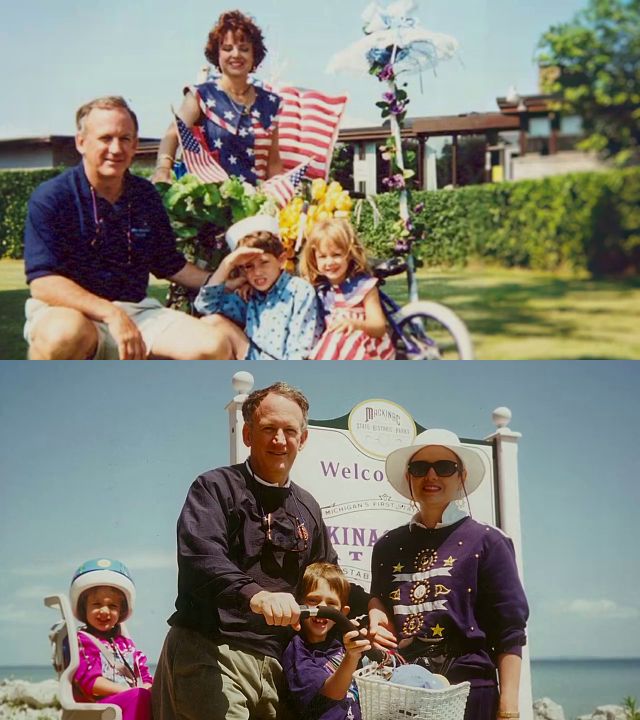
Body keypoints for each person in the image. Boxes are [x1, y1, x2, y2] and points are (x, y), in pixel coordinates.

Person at [152, 382, 345, 720]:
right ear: (247, 434)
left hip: (279, 663)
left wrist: (373, 610)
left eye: (289, 430)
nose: (280, 440)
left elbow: (328, 576)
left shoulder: (308, 507)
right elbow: (201, 557)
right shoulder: (214, 487)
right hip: (212, 650)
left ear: (303, 438)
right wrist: (255, 595)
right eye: (269, 429)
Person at [23, 95, 237, 360]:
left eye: (125, 139)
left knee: (212, 346)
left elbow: (169, 264)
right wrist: (111, 314)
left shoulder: (144, 194)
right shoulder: (53, 196)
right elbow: (43, 283)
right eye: (105, 138)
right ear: (81, 142)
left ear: (135, 144)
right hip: (68, 310)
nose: (116, 149)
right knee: (64, 334)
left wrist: (222, 281)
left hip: (136, 311)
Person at [367, 428, 529, 720]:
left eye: (444, 467)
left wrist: (508, 711)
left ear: (461, 476)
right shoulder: (387, 546)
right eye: (420, 468)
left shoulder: (489, 542)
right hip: (404, 693)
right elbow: (379, 598)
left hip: (471, 692)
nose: (431, 476)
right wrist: (375, 611)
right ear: (409, 477)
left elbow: (510, 632)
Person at [152, 10, 282, 185]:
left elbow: (273, 163)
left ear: (254, 55)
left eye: (244, 49)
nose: (236, 54)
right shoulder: (201, 95)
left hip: (256, 203)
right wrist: (162, 169)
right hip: (211, 203)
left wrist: (280, 194)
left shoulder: (270, 104)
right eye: (227, 48)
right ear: (217, 55)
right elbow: (172, 134)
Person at [194, 215, 322, 359]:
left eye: (264, 262)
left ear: (281, 260)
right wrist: (227, 264)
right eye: (249, 266)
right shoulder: (250, 295)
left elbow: (300, 352)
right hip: (254, 359)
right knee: (211, 322)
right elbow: (205, 307)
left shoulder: (298, 291)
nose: (257, 272)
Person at [282, 563, 370, 720]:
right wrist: (351, 656)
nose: (322, 608)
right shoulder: (297, 650)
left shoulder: (341, 642)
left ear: (343, 612)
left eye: (331, 604)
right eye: (313, 600)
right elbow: (333, 693)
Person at [299, 218, 395, 360]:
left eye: (336, 255)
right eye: (322, 256)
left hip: (368, 349)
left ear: (349, 255)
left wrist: (356, 324)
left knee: (341, 333)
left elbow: (379, 327)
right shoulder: (321, 291)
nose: (329, 262)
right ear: (314, 259)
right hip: (336, 351)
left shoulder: (364, 286)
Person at [69, 558, 152, 720]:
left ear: (121, 611)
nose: (105, 611)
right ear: (83, 608)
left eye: (113, 606)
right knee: (139, 696)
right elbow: (90, 683)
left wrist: (150, 687)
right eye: (96, 604)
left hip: (128, 699)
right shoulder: (83, 641)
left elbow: (142, 673)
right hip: (100, 706)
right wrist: (128, 691)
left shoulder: (125, 644)